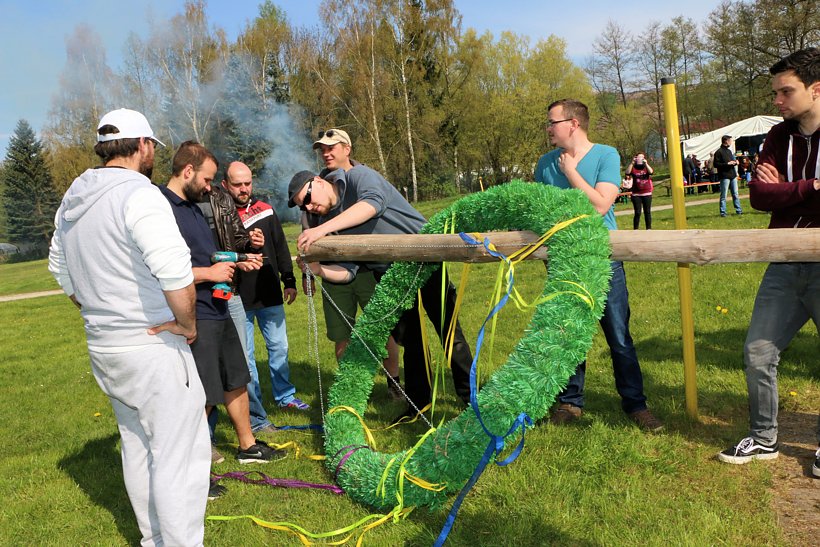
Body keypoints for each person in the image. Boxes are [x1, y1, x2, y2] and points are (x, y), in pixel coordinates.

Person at [48, 109, 211, 545]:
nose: (153, 155)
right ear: (142, 145)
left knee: (138, 445)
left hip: (107, 346)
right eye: (152, 148)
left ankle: (153, 539)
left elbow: (61, 269)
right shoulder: (140, 194)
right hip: (152, 345)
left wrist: (100, 311)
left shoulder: (72, 198)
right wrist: (187, 324)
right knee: (180, 455)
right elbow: (175, 273)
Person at [288, 128, 474, 419]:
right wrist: (319, 269)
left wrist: (320, 230)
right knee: (411, 340)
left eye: (309, 196)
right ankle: (418, 407)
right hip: (390, 275)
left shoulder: (359, 177)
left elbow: (372, 205)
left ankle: (471, 399)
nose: (310, 206)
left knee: (449, 332)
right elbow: (348, 273)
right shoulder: (328, 220)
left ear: (318, 180)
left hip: (425, 260)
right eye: (304, 205)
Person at [717, 48, 820, 478]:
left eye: (786, 91)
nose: (777, 100)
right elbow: (759, 196)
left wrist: (787, 188)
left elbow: (774, 192)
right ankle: (763, 439)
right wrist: (812, 186)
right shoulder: (778, 136)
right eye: (775, 91)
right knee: (758, 353)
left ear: (817, 89)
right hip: (782, 260)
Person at [534, 99, 663, 432]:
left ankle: (636, 405)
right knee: (569, 335)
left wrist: (570, 172)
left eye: (552, 122)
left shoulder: (606, 155)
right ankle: (569, 402)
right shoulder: (544, 164)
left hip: (604, 261)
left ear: (573, 124)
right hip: (563, 261)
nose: (548, 128)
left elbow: (601, 204)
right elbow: (541, 212)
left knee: (618, 335)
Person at [159, 141, 284, 474]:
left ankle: (248, 447)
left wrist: (234, 260)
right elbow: (160, 268)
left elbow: (207, 251)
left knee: (235, 378)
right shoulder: (162, 209)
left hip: (219, 303)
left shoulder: (193, 205)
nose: (210, 186)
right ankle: (195, 467)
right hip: (192, 311)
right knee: (203, 392)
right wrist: (208, 273)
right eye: (207, 178)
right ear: (188, 171)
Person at [222, 161, 310, 414]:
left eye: (247, 183)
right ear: (226, 184)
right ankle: (255, 405)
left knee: (279, 348)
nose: (243, 189)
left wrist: (289, 280)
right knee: (246, 357)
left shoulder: (265, 210)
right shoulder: (221, 217)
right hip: (238, 296)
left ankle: (285, 396)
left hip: (269, 292)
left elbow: (281, 248)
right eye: (237, 184)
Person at [713, 135, 744, 217]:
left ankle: (739, 210)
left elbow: (731, 161)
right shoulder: (718, 152)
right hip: (724, 176)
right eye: (730, 141)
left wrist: (735, 162)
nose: (731, 142)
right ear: (726, 141)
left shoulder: (729, 151)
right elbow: (716, 164)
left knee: (735, 194)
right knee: (724, 195)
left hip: (732, 175)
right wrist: (727, 164)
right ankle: (723, 213)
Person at [625, 152, 654, 229]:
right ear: (636, 158)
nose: (640, 159)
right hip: (636, 194)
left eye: (642, 157)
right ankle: (636, 229)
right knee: (637, 212)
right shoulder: (633, 167)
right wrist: (632, 163)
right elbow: (627, 172)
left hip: (647, 193)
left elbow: (651, 172)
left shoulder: (646, 167)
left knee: (647, 212)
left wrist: (646, 164)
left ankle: (648, 228)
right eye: (639, 157)